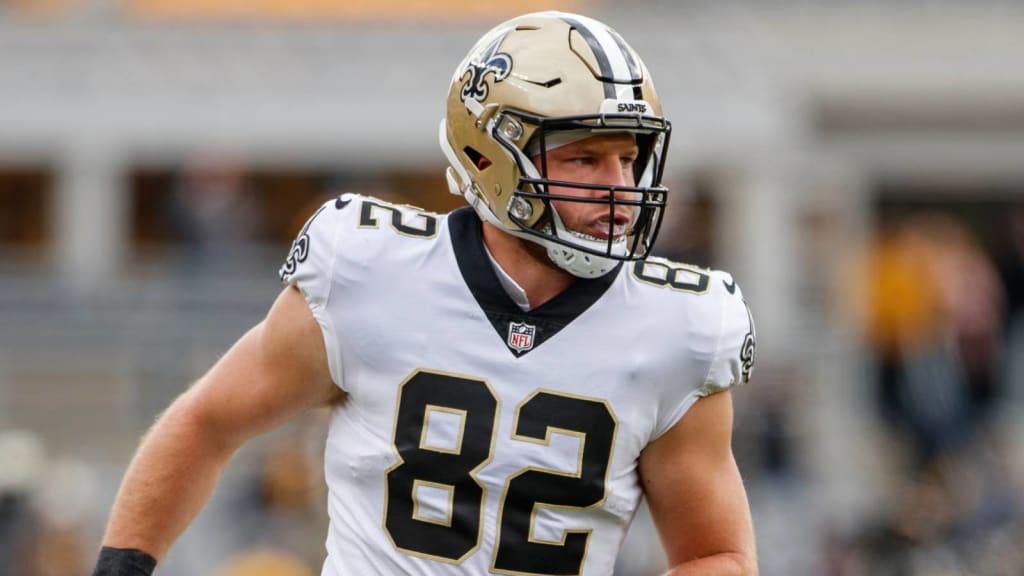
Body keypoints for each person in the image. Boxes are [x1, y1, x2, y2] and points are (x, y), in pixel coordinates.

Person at [93, 11, 758, 576]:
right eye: (584, 158)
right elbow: (206, 424)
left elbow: (718, 555)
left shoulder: (679, 328)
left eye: (629, 157)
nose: (618, 186)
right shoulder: (368, 271)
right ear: (489, 158)